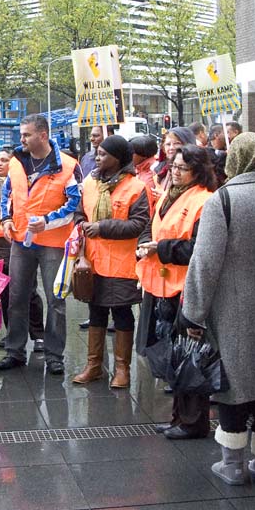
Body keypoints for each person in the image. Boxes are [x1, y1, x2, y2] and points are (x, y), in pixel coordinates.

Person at [181, 133, 255, 485]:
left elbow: (205, 263)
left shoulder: (223, 200)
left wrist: (193, 312)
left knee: (233, 383)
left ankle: (232, 464)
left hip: (232, 306)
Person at [137, 144, 217, 439]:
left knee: (191, 356)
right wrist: (149, 244)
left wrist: (161, 249)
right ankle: (179, 416)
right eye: (173, 167)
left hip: (187, 288)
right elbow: (154, 228)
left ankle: (193, 421)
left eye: (181, 168)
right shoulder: (170, 196)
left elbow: (198, 249)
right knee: (176, 355)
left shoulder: (205, 201)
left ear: (197, 170)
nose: (174, 172)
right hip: (164, 285)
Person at [0, 114, 81, 375]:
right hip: (21, 240)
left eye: (26, 134)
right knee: (18, 297)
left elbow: (74, 204)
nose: (21, 139)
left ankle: (55, 355)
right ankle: (15, 350)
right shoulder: (17, 162)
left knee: (56, 299)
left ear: (43, 135)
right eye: (21, 134)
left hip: (53, 242)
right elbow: (6, 194)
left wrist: (47, 222)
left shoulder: (68, 165)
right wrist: (7, 219)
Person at [71, 135, 149, 388]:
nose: (98, 157)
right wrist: (82, 224)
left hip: (121, 263)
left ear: (118, 159)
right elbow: (79, 212)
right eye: (98, 153)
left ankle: (122, 369)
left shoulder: (136, 187)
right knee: (96, 312)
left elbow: (138, 224)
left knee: (122, 313)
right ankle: (94, 365)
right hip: (92, 262)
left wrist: (102, 227)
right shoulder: (90, 182)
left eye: (104, 154)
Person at [0, 148, 46, 349]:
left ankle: (38, 334)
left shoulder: (22, 184)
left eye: (5, 160)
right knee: (4, 292)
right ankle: (11, 333)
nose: (0, 163)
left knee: (28, 291)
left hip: (19, 241)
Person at [130, 135, 160, 214]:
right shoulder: (137, 169)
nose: (128, 155)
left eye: (132, 153)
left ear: (143, 155)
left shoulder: (155, 170)